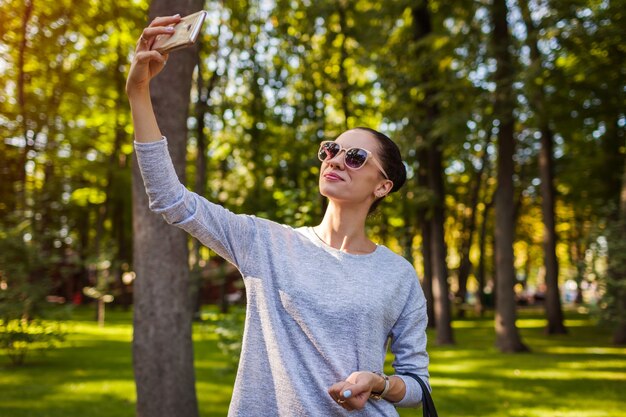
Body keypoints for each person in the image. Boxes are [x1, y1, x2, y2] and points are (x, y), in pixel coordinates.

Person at [127, 14, 431, 417]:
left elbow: (416, 384)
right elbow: (170, 199)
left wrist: (378, 383)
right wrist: (139, 92)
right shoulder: (265, 242)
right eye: (330, 149)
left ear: (382, 186)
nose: (336, 159)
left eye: (355, 157)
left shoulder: (399, 275)